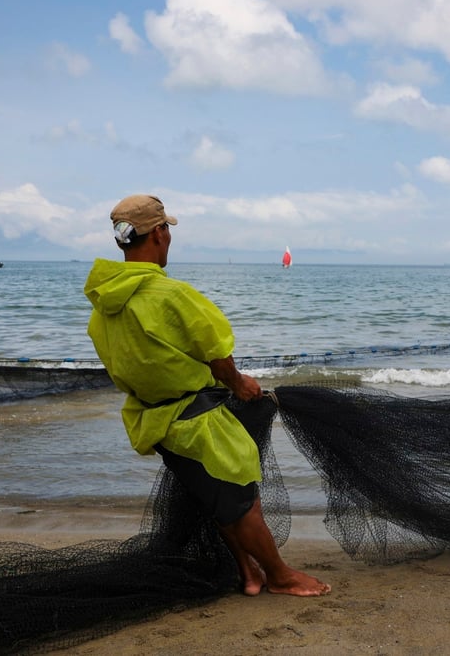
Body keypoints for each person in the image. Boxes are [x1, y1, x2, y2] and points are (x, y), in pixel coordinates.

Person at [84, 194, 330, 597]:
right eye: (167, 229)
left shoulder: (103, 308)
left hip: (154, 422)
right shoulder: (170, 294)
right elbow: (217, 352)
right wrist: (239, 384)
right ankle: (280, 576)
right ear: (160, 233)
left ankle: (250, 575)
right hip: (198, 420)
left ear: (120, 242)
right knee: (241, 497)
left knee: (216, 499)